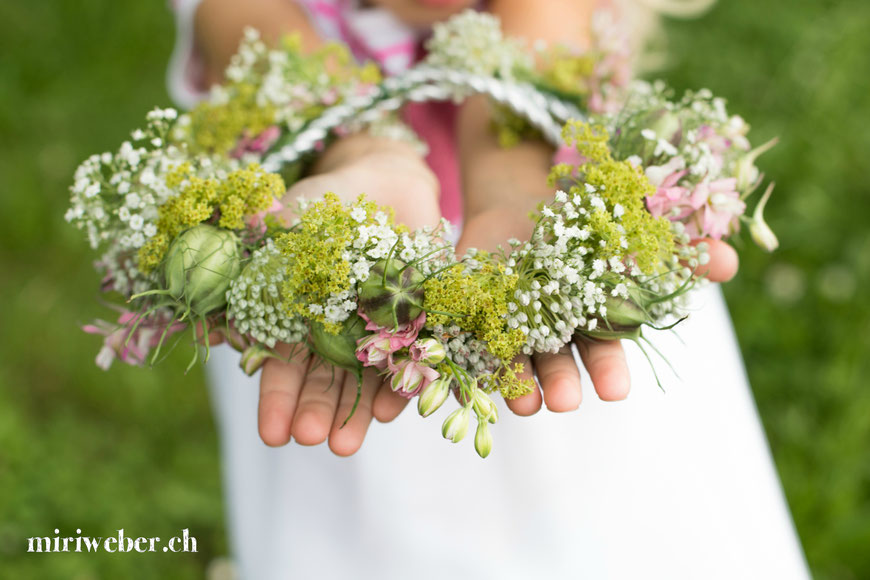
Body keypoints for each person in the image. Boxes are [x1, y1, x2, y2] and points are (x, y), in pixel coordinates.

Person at [169, 0, 811, 578]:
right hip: (347, 277)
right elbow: (233, 13)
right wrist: (356, 147)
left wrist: (511, 171)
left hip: (547, 217)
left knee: (636, 518)